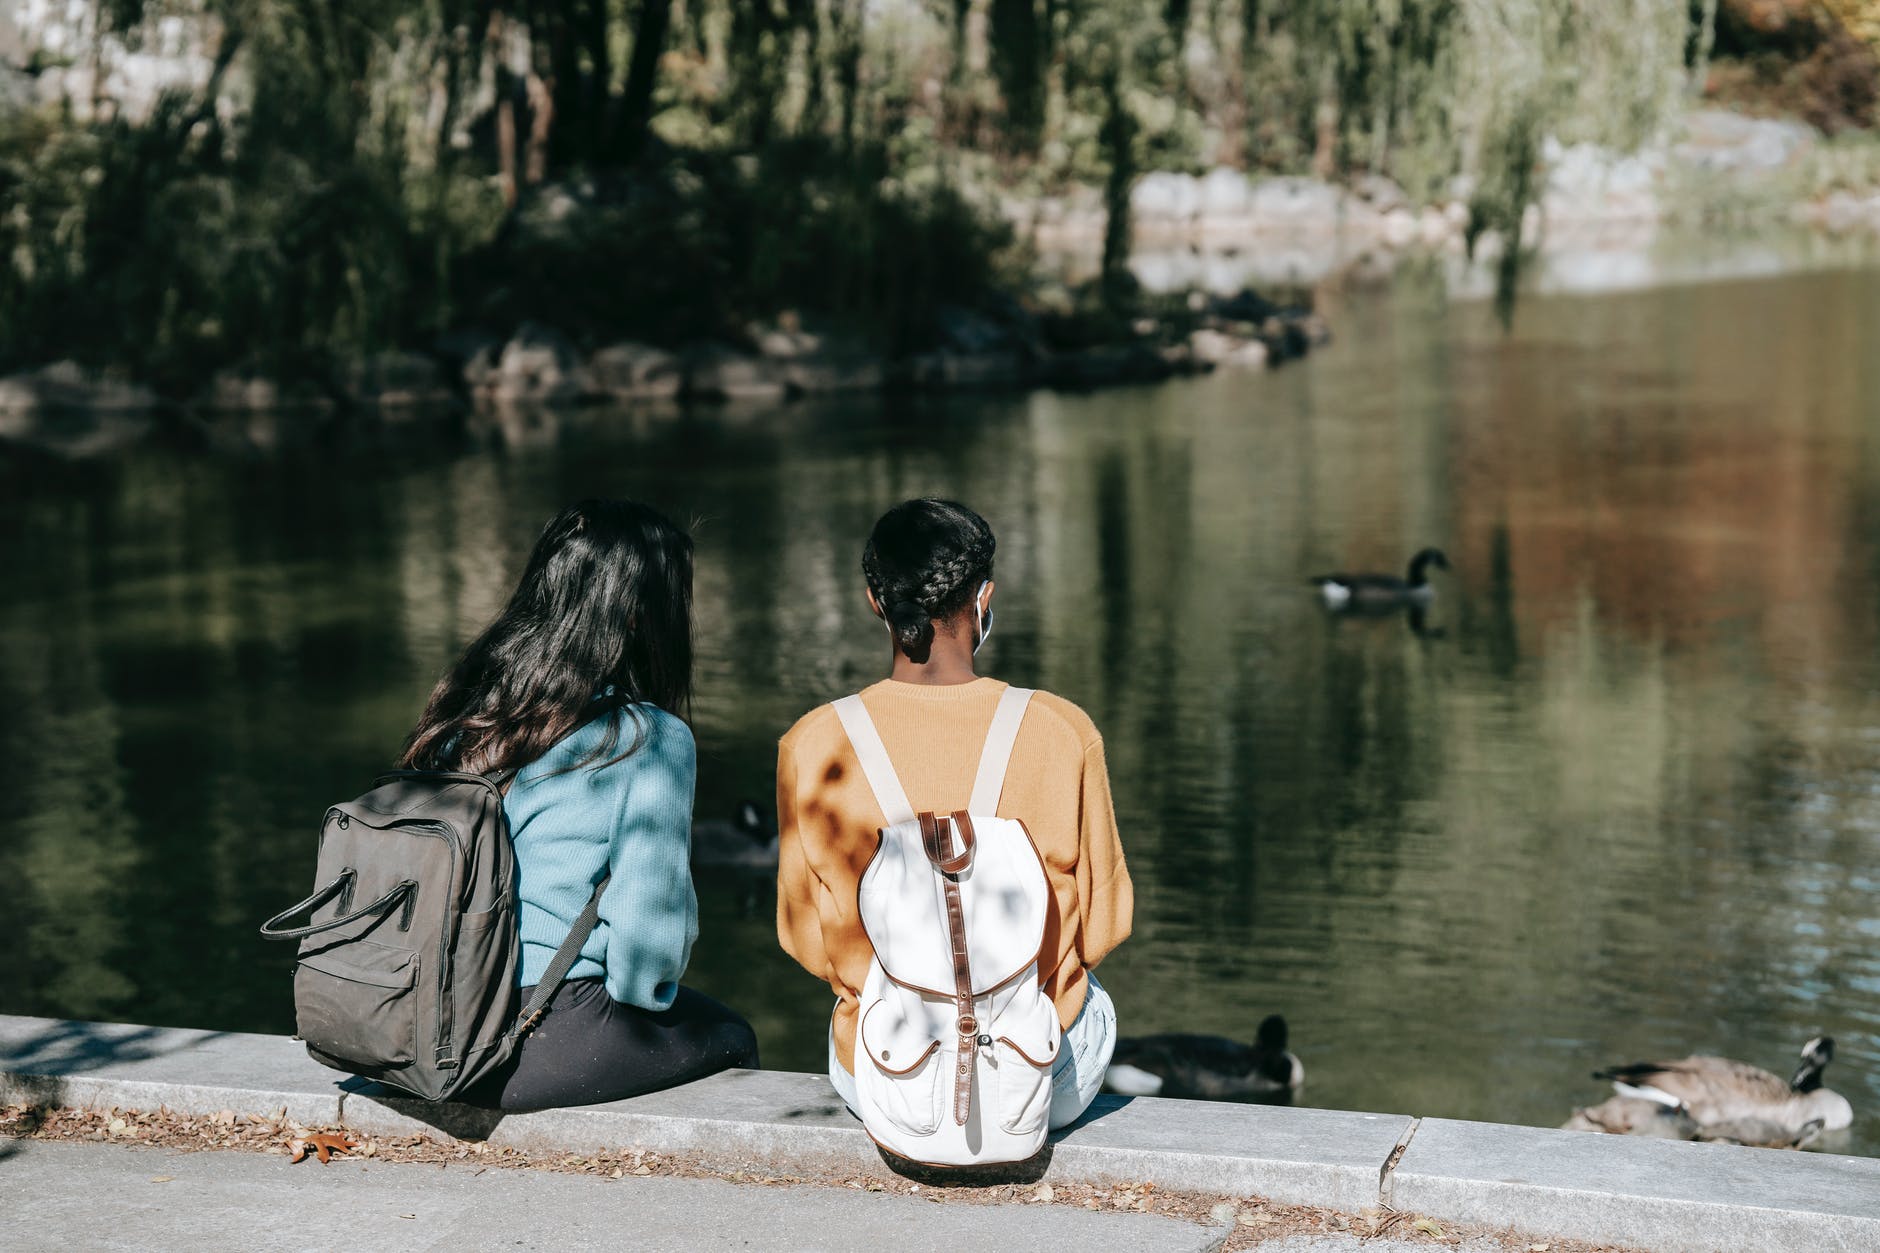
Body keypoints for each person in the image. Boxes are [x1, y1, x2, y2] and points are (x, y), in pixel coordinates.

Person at [775, 498, 1133, 1130]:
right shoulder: (1061, 730)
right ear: (984, 598)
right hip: (1034, 1075)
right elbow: (1103, 930)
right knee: (1089, 998)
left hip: (892, 1081)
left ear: (873, 602)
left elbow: (805, 944)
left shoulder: (812, 744)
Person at [399, 498, 757, 1110]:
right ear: (645, 616)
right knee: (731, 1038)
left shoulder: (469, 714)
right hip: (529, 1029)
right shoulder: (648, 738)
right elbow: (648, 939)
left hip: (415, 1016)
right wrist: (635, 1008)